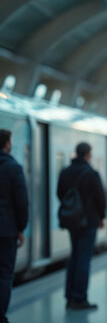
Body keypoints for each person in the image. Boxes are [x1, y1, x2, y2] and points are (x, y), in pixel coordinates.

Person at [57, 142, 106, 310]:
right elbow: (101, 198)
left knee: (74, 256)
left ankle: (69, 295)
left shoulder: (65, 172)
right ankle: (79, 298)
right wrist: (101, 217)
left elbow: (60, 193)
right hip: (89, 221)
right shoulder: (91, 173)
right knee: (84, 258)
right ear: (88, 155)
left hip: (72, 221)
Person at [0, 130, 28, 323]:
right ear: (7, 144)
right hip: (6, 231)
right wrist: (21, 228)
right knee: (3, 274)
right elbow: (21, 202)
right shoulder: (13, 168)